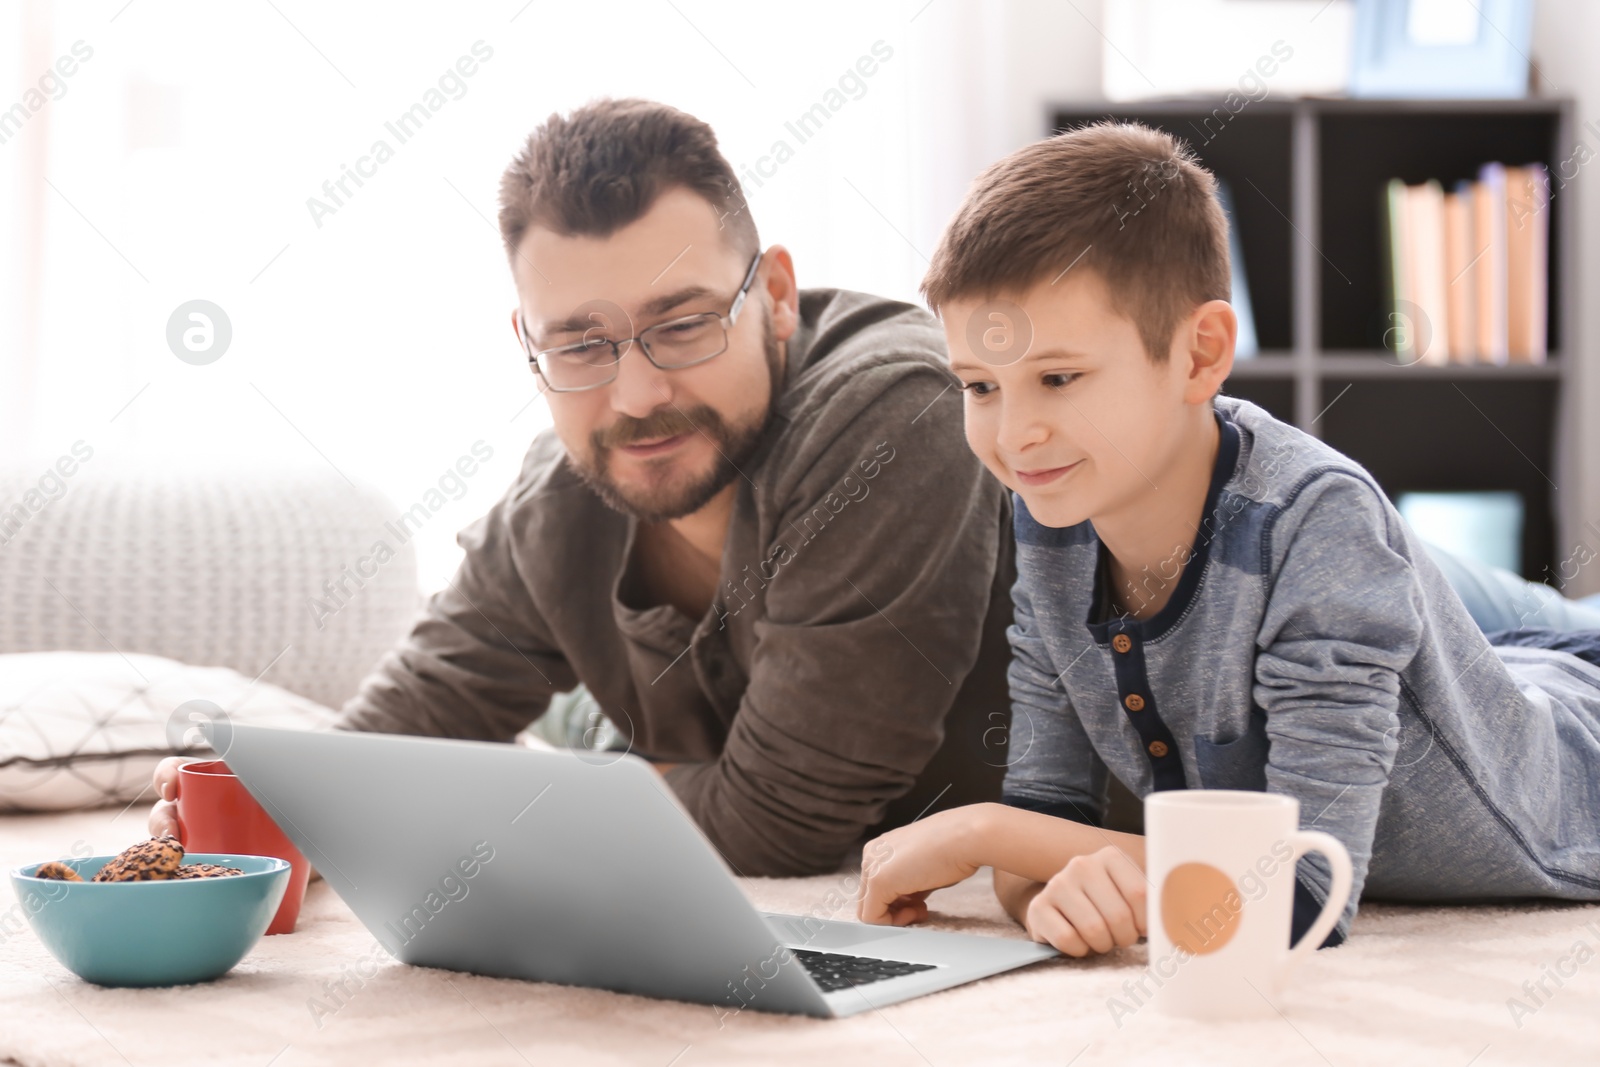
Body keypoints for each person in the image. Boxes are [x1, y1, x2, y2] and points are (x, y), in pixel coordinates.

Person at [150, 98, 1015, 877]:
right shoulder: (555, 502)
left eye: (680, 325)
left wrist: (492, 807)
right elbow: (384, 752)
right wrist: (276, 804)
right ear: (529, 345)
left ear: (776, 296)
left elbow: (783, 827)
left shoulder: (893, 410)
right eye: (580, 345)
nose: (637, 396)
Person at [855, 121, 1600, 955]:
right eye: (980, 385)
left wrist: (986, 832)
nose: (1016, 432)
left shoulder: (1319, 521)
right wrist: (1049, 893)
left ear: (1201, 353)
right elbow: (1044, 825)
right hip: (1491, 653)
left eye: (1058, 378)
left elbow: (1298, 896)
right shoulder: (1054, 511)